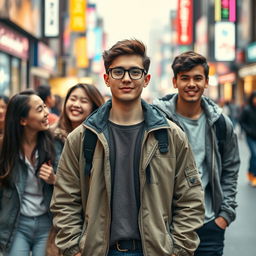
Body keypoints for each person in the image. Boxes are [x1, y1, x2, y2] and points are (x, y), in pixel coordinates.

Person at [50, 39, 204, 256]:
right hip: (98, 251)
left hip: (154, 251)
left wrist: (178, 250)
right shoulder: (81, 138)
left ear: (146, 79)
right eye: (118, 72)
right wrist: (75, 248)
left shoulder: (171, 135)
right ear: (106, 78)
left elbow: (190, 198)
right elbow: (65, 199)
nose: (126, 79)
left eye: (134, 72)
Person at [153, 51, 240, 256]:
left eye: (197, 78)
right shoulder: (157, 121)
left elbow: (231, 168)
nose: (191, 84)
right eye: (185, 78)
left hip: (209, 225)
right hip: (166, 226)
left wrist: (224, 216)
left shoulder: (220, 123)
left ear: (206, 82)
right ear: (175, 82)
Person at [46, 83, 104, 256]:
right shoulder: (50, 136)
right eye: (72, 99)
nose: (76, 104)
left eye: (83, 101)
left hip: (94, 222)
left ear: (94, 106)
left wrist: (56, 180)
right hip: (57, 222)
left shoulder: (101, 139)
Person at [0, 90, 57, 256]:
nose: (47, 113)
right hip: (16, 223)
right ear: (23, 120)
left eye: (45, 107)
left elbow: (70, 184)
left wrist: (54, 179)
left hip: (47, 222)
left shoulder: (55, 144)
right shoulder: (5, 149)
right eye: (40, 110)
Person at [239, 90, 256, 186]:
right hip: (250, 137)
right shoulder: (247, 109)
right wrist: (248, 130)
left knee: (254, 156)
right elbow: (241, 121)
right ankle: (254, 176)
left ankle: (250, 172)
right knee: (255, 154)